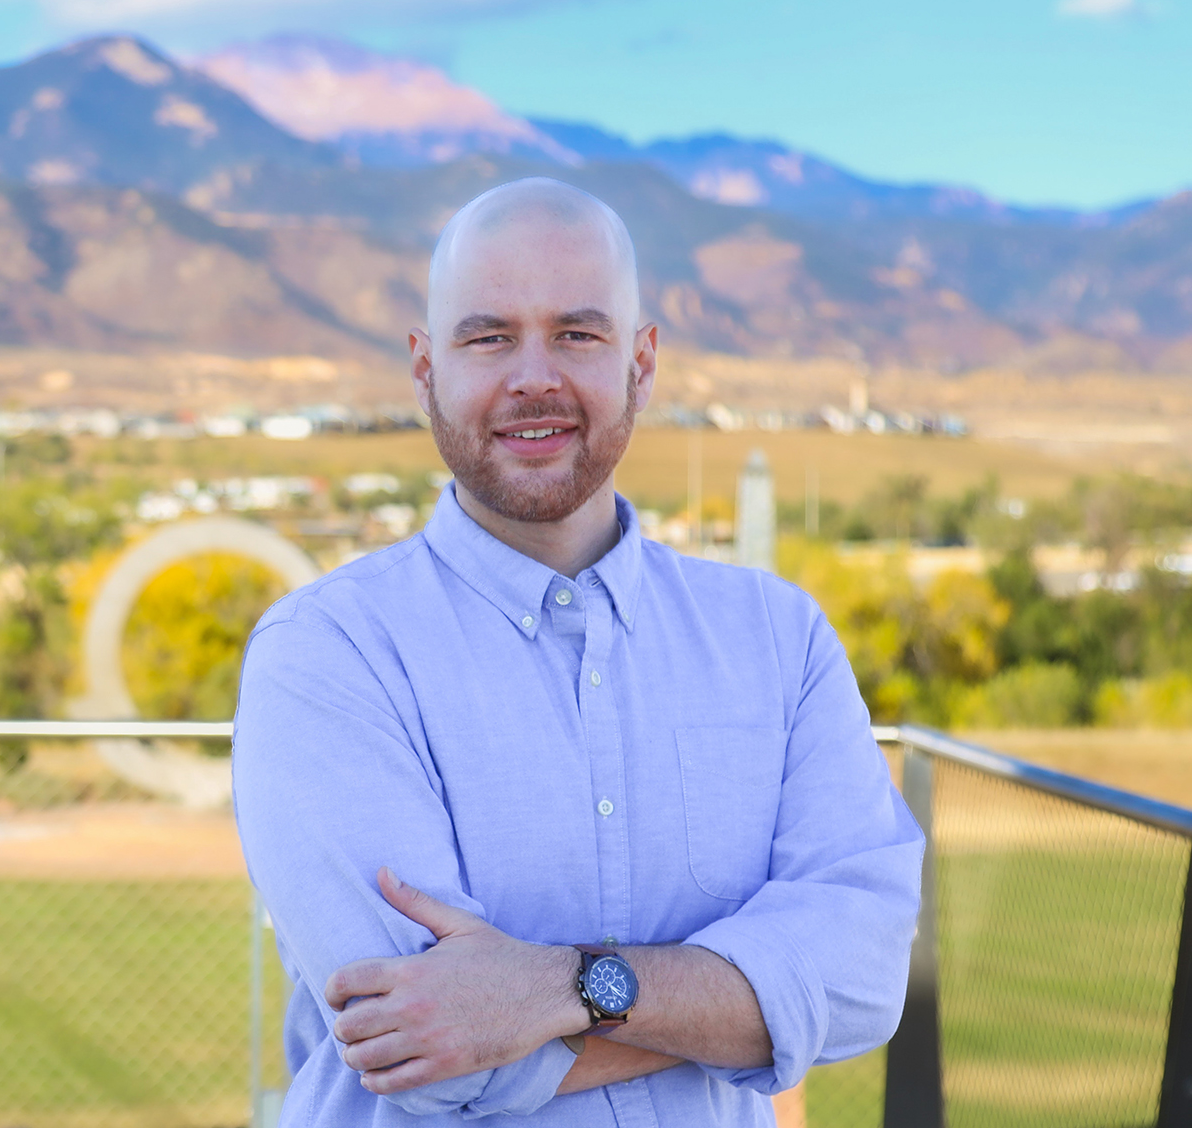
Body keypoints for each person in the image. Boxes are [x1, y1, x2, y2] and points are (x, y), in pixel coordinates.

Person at [231, 177, 924, 1127]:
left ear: (641, 362)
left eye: (577, 334)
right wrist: (751, 1001)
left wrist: (559, 988)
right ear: (425, 366)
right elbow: (434, 1059)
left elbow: (862, 978)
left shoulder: (778, 637)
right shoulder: (327, 652)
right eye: (488, 337)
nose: (533, 377)